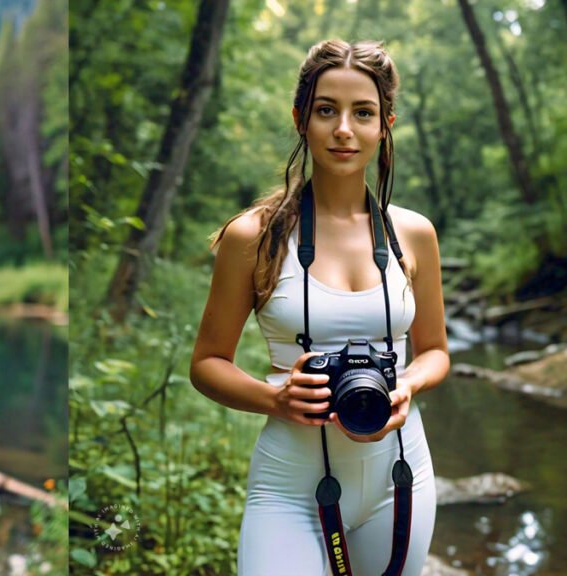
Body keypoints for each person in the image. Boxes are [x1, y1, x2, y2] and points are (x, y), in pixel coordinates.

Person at [189, 39, 450, 575]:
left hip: (400, 478)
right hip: (289, 485)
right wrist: (275, 396)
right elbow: (206, 364)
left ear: (386, 124)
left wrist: (408, 385)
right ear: (300, 119)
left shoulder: (413, 234)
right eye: (326, 110)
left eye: (363, 113)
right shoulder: (253, 237)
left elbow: (436, 352)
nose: (344, 129)